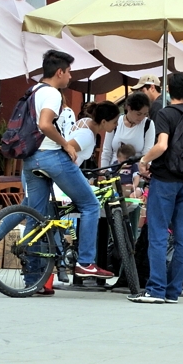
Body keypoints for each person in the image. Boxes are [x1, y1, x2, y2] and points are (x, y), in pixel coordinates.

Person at [22, 50, 114, 282]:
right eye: (70, 71)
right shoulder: (53, 93)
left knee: (36, 216)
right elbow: (45, 124)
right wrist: (66, 145)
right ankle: (85, 262)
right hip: (51, 156)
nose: (71, 77)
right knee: (91, 205)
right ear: (60, 72)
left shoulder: (32, 91)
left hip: (30, 157)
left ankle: (33, 279)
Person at [131, 72, 183, 304]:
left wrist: (144, 160)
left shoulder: (165, 114)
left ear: (167, 88)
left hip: (164, 181)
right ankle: (173, 291)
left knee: (158, 235)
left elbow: (162, 145)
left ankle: (155, 289)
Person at [100, 92, 155, 166]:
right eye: (138, 114)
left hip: (136, 172)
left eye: (145, 114)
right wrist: (104, 170)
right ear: (129, 108)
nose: (142, 117)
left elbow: (147, 153)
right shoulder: (115, 122)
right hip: (113, 170)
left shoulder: (148, 124)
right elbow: (107, 151)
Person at [67, 101, 120, 166]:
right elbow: (63, 149)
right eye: (115, 122)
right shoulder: (87, 136)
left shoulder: (87, 121)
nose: (117, 124)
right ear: (103, 122)